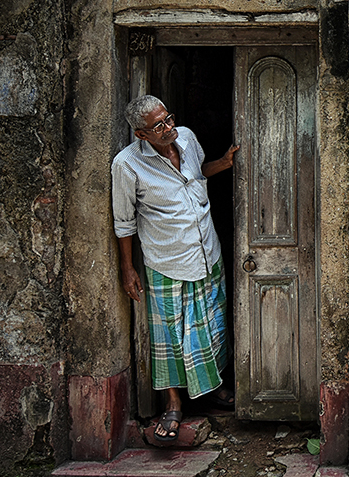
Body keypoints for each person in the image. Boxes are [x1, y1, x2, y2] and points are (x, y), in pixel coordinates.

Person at [112, 95, 239, 444]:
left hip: (206, 253)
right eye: (158, 126)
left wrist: (223, 163)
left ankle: (210, 390)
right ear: (141, 134)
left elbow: (197, 176)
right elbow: (124, 223)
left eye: (168, 119)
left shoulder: (186, 137)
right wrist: (127, 268)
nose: (168, 128)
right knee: (170, 335)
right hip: (167, 261)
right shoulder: (127, 165)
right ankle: (172, 403)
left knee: (210, 326)